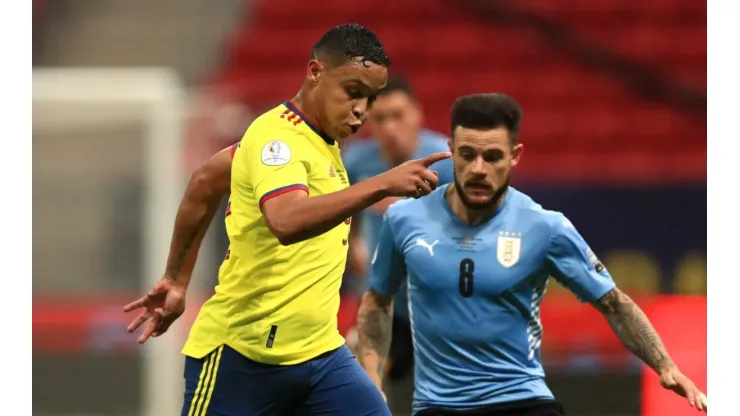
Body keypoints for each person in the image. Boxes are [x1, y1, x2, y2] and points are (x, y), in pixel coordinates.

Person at [123, 23, 451, 416]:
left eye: (370, 98)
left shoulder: (321, 140)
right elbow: (286, 220)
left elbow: (206, 181)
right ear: (315, 72)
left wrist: (177, 279)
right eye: (352, 92)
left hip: (320, 356)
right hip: (242, 359)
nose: (362, 111)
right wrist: (382, 185)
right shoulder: (275, 140)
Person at [355, 93, 707, 415]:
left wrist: (665, 366)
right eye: (467, 155)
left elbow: (613, 303)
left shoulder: (545, 228)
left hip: (521, 401)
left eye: (492, 157)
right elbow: (377, 301)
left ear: (514, 156)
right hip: (438, 407)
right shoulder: (404, 218)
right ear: (451, 150)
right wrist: (372, 380)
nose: (478, 168)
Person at [342, 75, 453, 386]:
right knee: (364, 383)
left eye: (398, 116)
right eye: (380, 119)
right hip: (383, 298)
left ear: (417, 113)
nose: (389, 127)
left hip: (438, 301)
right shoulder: (356, 163)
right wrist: (353, 245)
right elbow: (341, 213)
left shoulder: (446, 163)